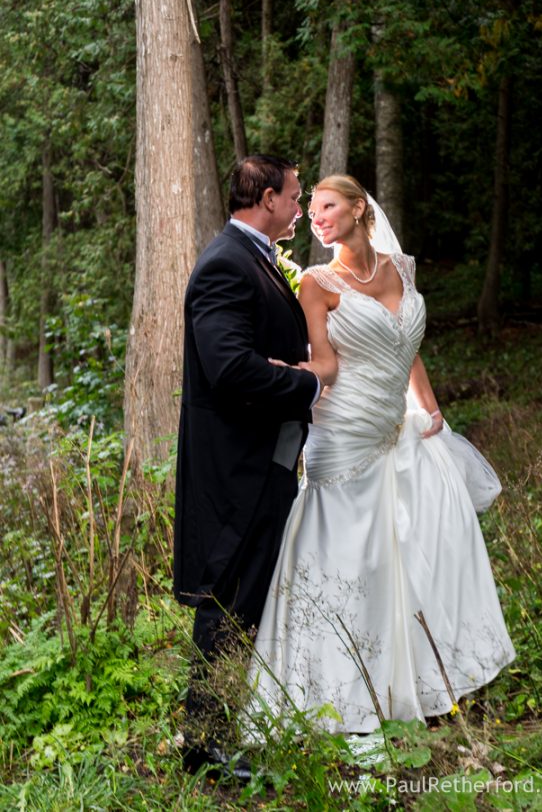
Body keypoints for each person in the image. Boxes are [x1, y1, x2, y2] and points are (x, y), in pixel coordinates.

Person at [247, 174, 515, 735]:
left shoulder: (401, 269)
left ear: (358, 207)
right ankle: (337, 694)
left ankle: (420, 676)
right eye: (311, 208)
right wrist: (283, 375)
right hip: (344, 429)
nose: (316, 216)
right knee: (349, 558)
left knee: (425, 548)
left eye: (327, 206)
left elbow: (406, 347)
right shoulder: (316, 284)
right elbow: (326, 362)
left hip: (399, 428)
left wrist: (431, 410)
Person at [173, 155, 327, 772]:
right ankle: (204, 747)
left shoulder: (255, 258)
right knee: (226, 604)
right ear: (265, 198)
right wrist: (307, 384)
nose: (299, 207)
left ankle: (221, 732)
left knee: (244, 602)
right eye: (294, 196)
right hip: (236, 469)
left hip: (266, 463)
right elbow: (229, 367)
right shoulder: (224, 266)